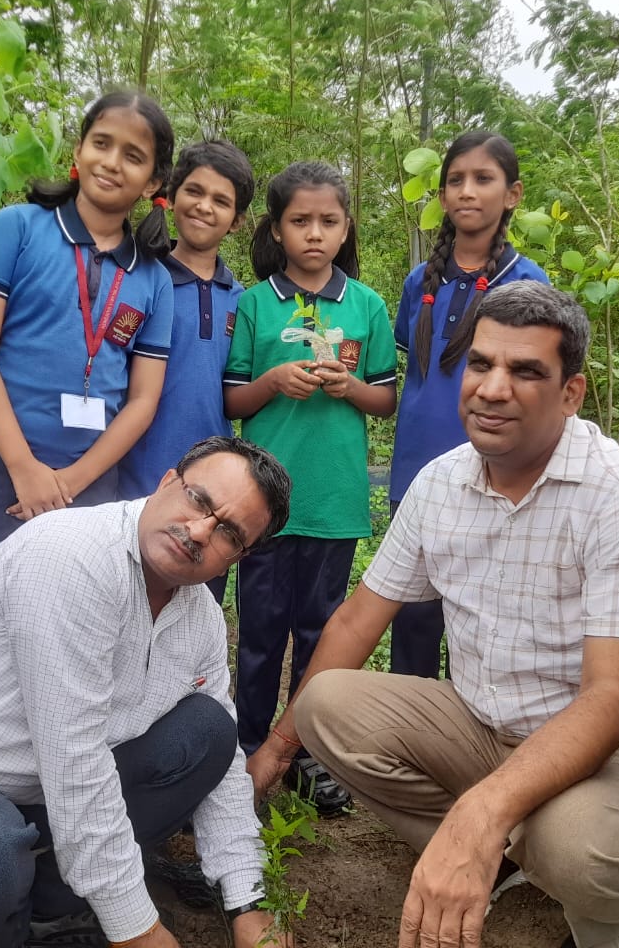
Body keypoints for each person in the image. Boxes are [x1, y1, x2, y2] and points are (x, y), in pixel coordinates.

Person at [249, 282, 619, 948]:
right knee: (326, 708)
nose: (492, 388)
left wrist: (484, 811)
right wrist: (276, 749)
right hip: (484, 726)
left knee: (584, 850)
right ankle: (497, 852)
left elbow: (613, 696)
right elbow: (356, 622)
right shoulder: (442, 481)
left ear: (571, 394)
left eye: (525, 372)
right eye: (481, 364)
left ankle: (618, 924)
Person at [0, 436, 294, 948]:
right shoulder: (69, 555)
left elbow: (225, 771)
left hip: (38, 802)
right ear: (168, 483)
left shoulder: (199, 619)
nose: (199, 530)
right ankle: (9, 908)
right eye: (199, 500)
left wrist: (249, 903)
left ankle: (53, 903)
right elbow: (75, 760)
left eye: (228, 532)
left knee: (207, 730)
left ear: (240, 556)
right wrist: (140, 932)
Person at [223, 161, 398, 816]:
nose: (315, 234)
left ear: (346, 227)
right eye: (301, 221)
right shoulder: (254, 303)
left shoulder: (367, 305)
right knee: (262, 632)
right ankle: (245, 752)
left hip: (334, 500)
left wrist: (345, 386)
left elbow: (383, 399)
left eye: (328, 221)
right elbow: (232, 395)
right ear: (277, 228)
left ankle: (305, 757)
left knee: (323, 635)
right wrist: (274, 382)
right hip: (262, 504)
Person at [0, 91, 175, 566]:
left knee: (72, 623)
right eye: (102, 143)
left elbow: (142, 400)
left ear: (152, 181)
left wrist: (71, 482)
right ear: (78, 150)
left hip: (92, 482)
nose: (112, 162)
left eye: (133, 156)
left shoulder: (154, 279)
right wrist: (24, 469)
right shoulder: (15, 228)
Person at [389, 130, 549, 678]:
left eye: (483, 179)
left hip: (493, 478)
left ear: (513, 194)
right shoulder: (419, 282)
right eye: (455, 180)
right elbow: (416, 375)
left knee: (480, 625)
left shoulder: (527, 284)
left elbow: (536, 391)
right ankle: (408, 745)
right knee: (412, 620)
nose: (467, 192)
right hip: (416, 476)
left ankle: (477, 753)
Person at [120, 140, 255, 604]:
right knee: (125, 599)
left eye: (221, 201)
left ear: (237, 220)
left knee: (194, 610)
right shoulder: (138, 279)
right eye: (194, 192)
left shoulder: (244, 301)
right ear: (172, 194)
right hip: (134, 477)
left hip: (210, 495)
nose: (204, 206)